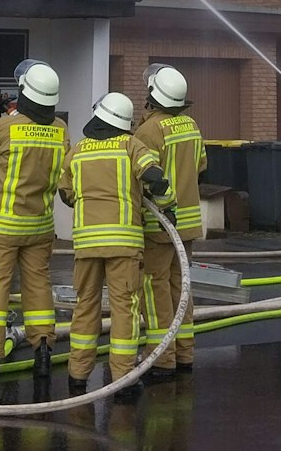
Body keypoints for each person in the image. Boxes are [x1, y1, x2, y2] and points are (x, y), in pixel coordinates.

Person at [0, 60, 67, 385]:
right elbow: (35, 130)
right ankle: (43, 350)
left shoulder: (7, 127)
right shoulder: (61, 130)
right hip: (40, 227)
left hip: (5, 228)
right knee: (38, 288)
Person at [61, 91, 171, 395]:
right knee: (124, 308)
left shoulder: (78, 150)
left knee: (85, 305)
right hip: (124, 244)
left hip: (87, 244)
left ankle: (77, 374)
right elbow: (155, 177)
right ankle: (123, 379)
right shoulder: (131, 145)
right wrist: (164, 204)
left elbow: (66, 194)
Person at [133, 64, 206, 380]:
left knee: (155, 289)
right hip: (187, 224)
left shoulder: (149, 131)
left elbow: (145, 178)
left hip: (158, 225)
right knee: (182, 288)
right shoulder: (191, 125)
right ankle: (184, 352)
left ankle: (161, 357)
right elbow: (201, 166)